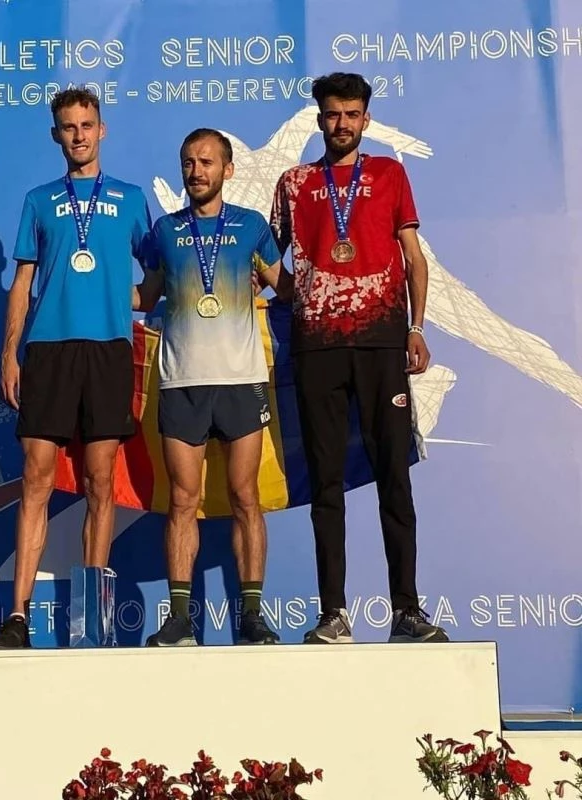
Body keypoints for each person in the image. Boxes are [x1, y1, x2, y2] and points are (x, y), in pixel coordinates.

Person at [268, 72, 449, 644]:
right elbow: (269, 261)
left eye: (351, 114)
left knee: (393, 475)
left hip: (381, 343)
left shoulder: (389, 173)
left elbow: (414, 258)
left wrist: (415, 328)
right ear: (319, 119)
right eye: (332, 114)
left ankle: (407, 611)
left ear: (366, 119)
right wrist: (305, 294)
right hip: (317, 348)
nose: (341, 123)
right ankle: (333, 614)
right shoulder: (294, 183)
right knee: (325, 482)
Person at [0, 88, 152, 649]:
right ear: (55, 134)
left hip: (107, 350)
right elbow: (23, 283)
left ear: (102, 130)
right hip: (49, 349)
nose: (78, 135)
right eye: (68, 127)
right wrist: (9, 353)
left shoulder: (130, 199)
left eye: (86, 125)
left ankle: (92, 620)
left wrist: (122, 294)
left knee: (100, 481)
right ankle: (17, 618)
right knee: (36, 478)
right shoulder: (39, 200)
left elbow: (156, 272)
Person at [134, 128, 293, 646]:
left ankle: (252, 616)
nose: (195, 171)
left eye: (206, 162)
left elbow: (285, 286)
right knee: (183, 501)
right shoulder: (165, 230)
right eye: (188, 162)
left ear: (228, 170)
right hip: (182, 382)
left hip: (241, 381)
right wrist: (91, 282)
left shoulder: (251, 226)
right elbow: (146, 297)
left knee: (246, 496)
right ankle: (181, 619)